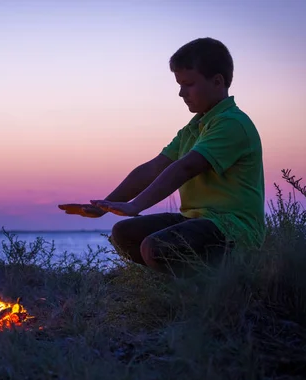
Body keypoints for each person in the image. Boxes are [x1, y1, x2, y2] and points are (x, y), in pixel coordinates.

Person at [58, 37, 265, 276]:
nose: (181, 93)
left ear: (217, 81)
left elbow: (186, 168)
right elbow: (154, 168)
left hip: (233, 229)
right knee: (123, 234)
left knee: (154, 247)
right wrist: (105, 206)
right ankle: (185, 284)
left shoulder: (232, 123)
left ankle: (205, 292)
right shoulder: (194, 128)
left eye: (188, 84)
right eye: (179, 84)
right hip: (197, 220)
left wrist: (136, 205)